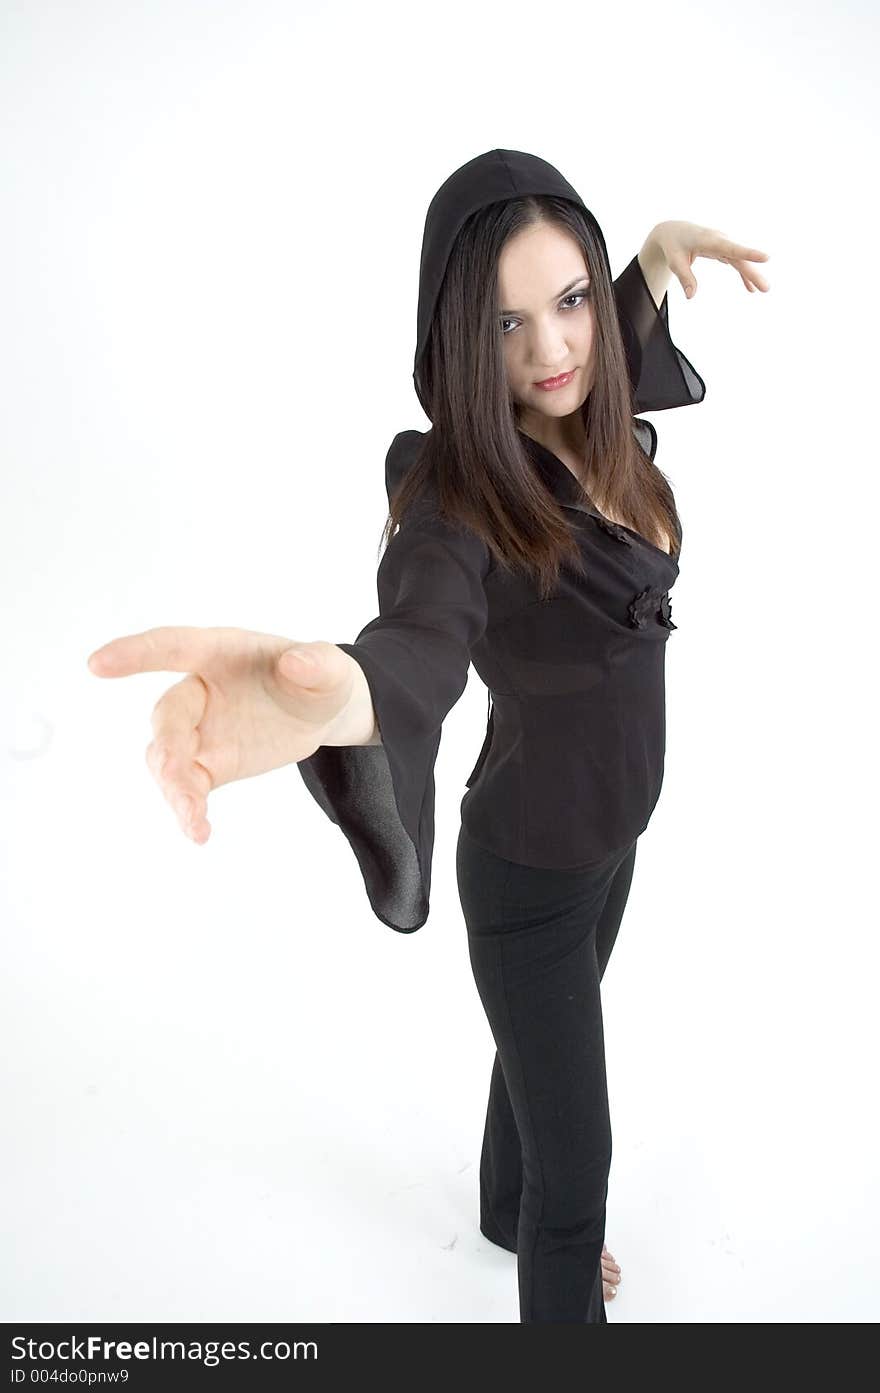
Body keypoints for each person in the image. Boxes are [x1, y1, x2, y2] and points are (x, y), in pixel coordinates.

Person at [87, 148, 769, 1322]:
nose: (552, 351)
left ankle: (504, 1206)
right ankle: (546, 1251)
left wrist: (652, 256)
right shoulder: (456, 500)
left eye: (569, 302)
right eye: (506, 325)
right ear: (460, 338)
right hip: (527, 877)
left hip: (610, 841)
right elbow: (420, 630)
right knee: (581, 1184)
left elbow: (606, 334)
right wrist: (345, 692)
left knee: (535, 1050)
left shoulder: (591, 413)